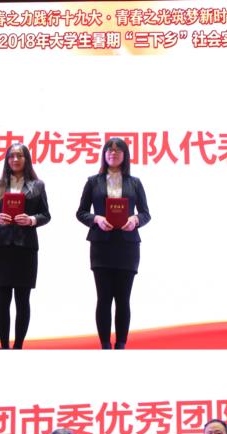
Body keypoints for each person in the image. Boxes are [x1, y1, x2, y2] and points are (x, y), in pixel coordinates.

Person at [76, 137, 151, 349]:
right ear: (104, 154)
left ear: (125, 155)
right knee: (104, 298)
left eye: (118, 150)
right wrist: (96, 219)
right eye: (109, 150)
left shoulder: (134, 183)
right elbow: (81, 212)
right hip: (101, 246)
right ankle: (105, 345)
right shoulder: (93, 182)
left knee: (123, 299)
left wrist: (135, 220)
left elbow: (146, 214)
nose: (113, 153)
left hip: (127, 246)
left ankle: (121, 344)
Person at [0, 143, 51, 349]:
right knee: (2, 299)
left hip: (26, 248)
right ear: (7, 160)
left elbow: (46, 215)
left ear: (26, 159)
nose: (15, 159)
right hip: (1, 246)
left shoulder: (37, 185)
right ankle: (4, 346)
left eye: (19, 156)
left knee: (23, 299)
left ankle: (18, 346)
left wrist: (31, 220)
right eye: (11, 156)